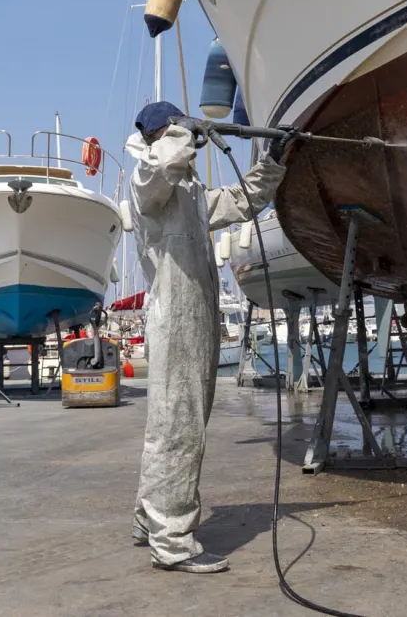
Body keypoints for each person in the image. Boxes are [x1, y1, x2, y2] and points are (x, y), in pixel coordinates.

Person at [126, 101, 290, 574]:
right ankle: (172, 541)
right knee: (178, 426)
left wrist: (272, 162)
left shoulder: (190, 193)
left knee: (171, 423)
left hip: (194, 314)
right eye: (178, 130)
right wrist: (189, 131)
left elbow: (241, 200)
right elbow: (165, 164)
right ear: (164, 135)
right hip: (175, 314)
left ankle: (148, 518)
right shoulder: (148, 181)